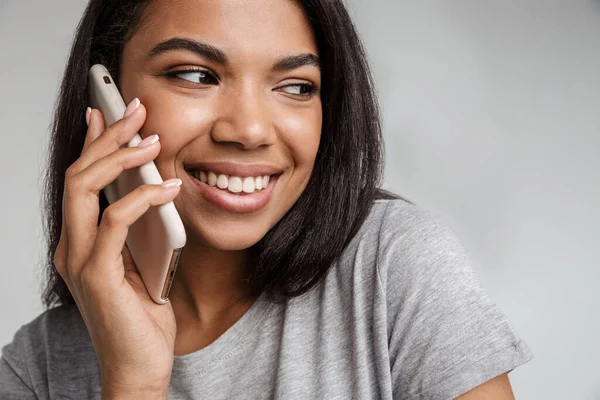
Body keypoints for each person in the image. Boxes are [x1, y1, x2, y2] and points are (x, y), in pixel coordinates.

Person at [0, 0, 533, 398]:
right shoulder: (36, 368)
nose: (251, 130)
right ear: (106, 99)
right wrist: (133, 384)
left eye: (297, 86)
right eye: (195, 75)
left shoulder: (395, 267)